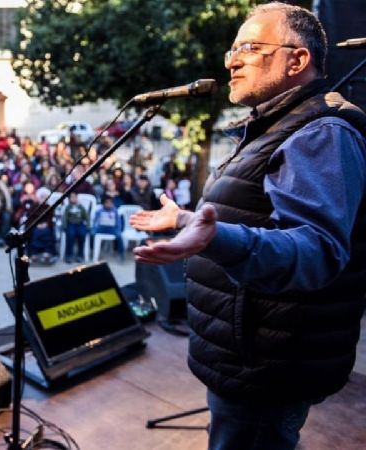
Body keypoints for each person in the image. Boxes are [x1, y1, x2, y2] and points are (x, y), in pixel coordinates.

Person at [130, 4, 366, 449]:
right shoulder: (279, 126)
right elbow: (256, 217)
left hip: (266, 365)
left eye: (250, 48)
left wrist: (216, 238)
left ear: (297, 61)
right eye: (231, 51)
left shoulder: (320, 134)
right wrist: (183, 219)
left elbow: (316, 250)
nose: (232, 61)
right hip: (248, 356)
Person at [61, 192, 88, 263]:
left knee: (82, 234)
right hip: (71, 224)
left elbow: (86, 217)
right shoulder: (68, 207)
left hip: (80, 224)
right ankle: (69, 255)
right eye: (72, 197)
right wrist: (64, 226)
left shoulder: (81, 207)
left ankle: (80, 255)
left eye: (75, 197)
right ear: (69, 199)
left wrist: (88, 226)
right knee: (70, 235)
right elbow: (65, 217)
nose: (73, 199)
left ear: (77, 198)